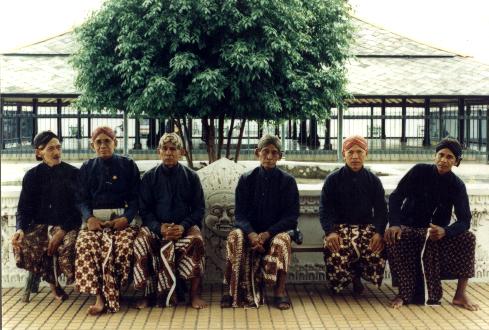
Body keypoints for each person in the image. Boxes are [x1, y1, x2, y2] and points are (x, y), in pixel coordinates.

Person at [385, 138, 479, 311]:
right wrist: (395, 223)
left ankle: (460, 295)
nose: (444, 160)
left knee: (468, 238)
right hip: (408, 228)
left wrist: (446, 231)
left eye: (450, 157)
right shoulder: (419, 171)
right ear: (435, 156)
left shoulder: (457, 185)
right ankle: (403, 294)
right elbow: (396, 197)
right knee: (397, 236)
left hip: (435, 234)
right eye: (441, 155)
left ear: (456, 162)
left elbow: (464, 220)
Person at [221, 135, 299, 310]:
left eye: (274, 153)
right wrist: (252, 234)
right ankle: (231, 291)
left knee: (283, 241)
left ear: (280, 156)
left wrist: (267, 234)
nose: (269, 157)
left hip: (274, 233)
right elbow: (240, 215)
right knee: (234, 236)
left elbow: (291, 217)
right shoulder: (246, 179)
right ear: (257, 153)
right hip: (251, 233)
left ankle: (279, 293)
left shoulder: (288, 182)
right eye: (265, 152)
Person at [133, 133, 207, 309]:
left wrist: (183, 226)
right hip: (157, 228)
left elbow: (199, 209)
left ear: (181, 152)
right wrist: (159, 228)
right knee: (141, 241)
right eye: (164, 149)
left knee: (197, 240)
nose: (168, 153)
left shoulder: (191, 177)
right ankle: (147, 294)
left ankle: (194, 295)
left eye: (173, 149)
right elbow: (144, 210)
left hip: (183, 228)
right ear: (159, 152)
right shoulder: (149, 178)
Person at [74, 126, 140, 315]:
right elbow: (80, 199)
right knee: (86, 245)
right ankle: (100, 297)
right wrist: (89, 218)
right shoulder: (87, 168)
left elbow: (136, 198)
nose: (103, 145)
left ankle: (114, 292)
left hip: (120, 222)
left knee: (124, 245)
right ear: (92, 145)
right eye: (98, 142)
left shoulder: (128, 166)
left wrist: (126, 218)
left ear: (115, 143)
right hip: (94, 223)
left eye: (107, 141)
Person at [12, 131, 80, 301]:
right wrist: (19, 228)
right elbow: (23, 209)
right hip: (40, 226)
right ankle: (53, 283)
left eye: (58, 147)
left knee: (68, 244)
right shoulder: (31, 176)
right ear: (39, 152)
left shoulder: (73, 174)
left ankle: (65, 283)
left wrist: (62, 231)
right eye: (50, 149)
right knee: (23, 242)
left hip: (67, 225)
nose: (56, 152)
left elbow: (78, 209)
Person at [320, 135, 387, 294]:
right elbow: (325, 209)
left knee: (375, 248)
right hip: (339, 228)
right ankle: (341, 283)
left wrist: (379, 232)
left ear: (366, 153)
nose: (355, 156)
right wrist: (329, 232)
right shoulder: (333, 179)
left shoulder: (373, 180)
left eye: (359, 152)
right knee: (336, 249)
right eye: (350, 152)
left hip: (366, 227)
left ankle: (358, 277)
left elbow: (381, 210)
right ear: (344, 154)